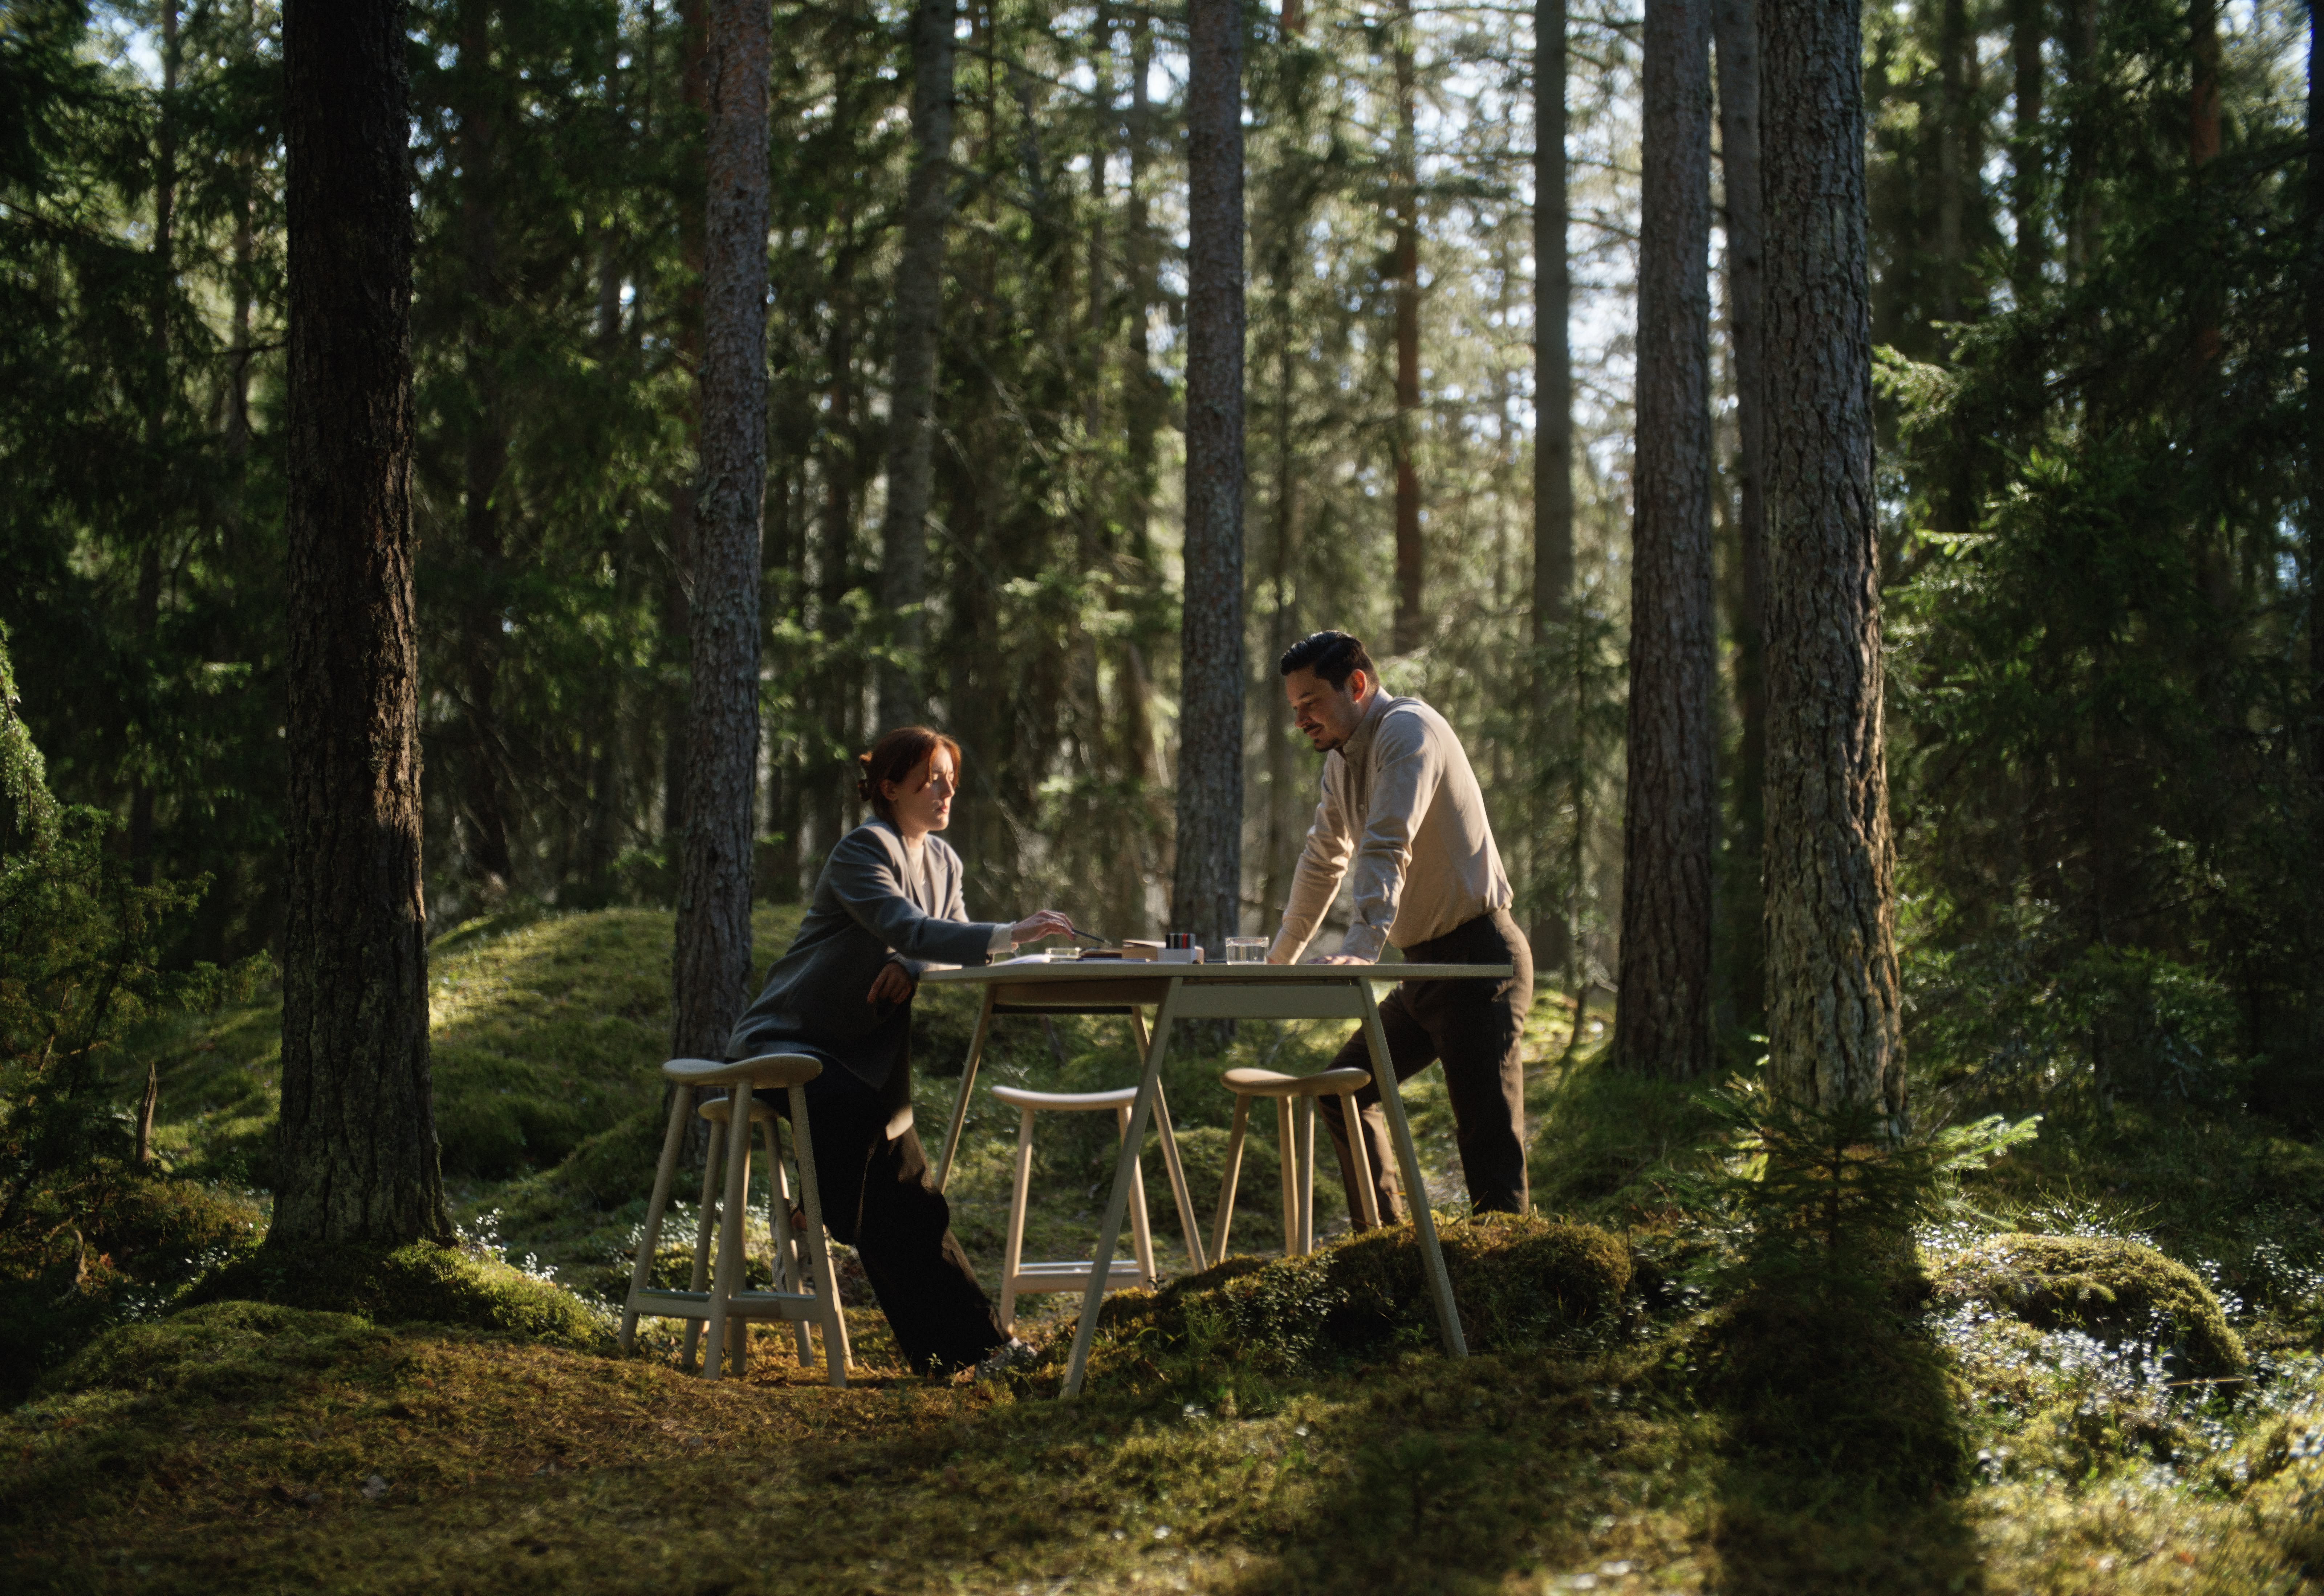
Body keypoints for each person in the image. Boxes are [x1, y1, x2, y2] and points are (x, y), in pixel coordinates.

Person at [725, 726, 1073, 1377]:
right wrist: (987, 936)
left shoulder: (945, 863)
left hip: (863, 1067)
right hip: (786, 1043)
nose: (945, 791)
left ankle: (947, 1349)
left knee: (910, 1196)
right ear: (890, 788)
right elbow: (906, 925)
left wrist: (915, 964)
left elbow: (941, 942)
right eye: (930, 778)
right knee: (900, 1195)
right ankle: (975, 1342)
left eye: (950, 779)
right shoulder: (863, 850)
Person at [1267, 631, 1535, 1223]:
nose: (1301, 720)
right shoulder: (1341, 761)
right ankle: (1389, 1254)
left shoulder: (1407, 731)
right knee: (1343, 1089)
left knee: (1487, 1148)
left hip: (1479, 960)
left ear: (1357, 684)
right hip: (1425, 970)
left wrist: (1362, 950)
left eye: (1311, 702)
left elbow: (1389, 843)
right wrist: (1278, 961)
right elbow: (1322, 858)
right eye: (1294, 709)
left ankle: (1511, 1294)